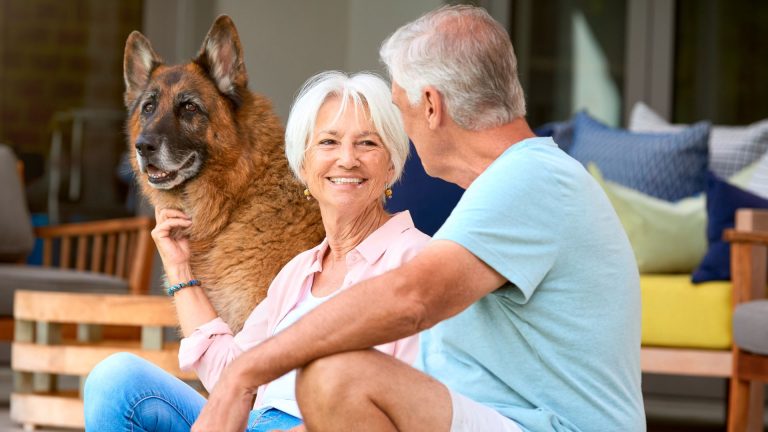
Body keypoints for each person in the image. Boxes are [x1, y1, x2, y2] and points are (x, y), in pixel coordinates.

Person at [191, 5, 646, 432]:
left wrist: (246, 372)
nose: (401, 128)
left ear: (430, 104)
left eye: (398, 105)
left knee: (337, 376)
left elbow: (411, 297)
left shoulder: (531, 179)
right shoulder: (512, 183)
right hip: (504, 419)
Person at [82, 71, 430, 432]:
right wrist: (179, 266)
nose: (347, 159)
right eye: (328, 142)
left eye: (367, 144)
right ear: (304, 165)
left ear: (392, 164)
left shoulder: (418, 261)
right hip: (253, 422)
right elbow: (231, 375)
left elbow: (418, 409)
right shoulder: (298, 273)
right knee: (116, 380)